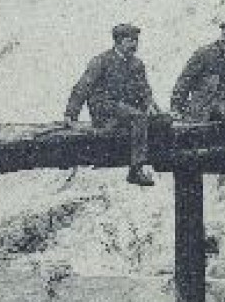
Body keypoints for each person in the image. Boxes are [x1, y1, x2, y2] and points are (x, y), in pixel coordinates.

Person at [63, 23, 161, 186]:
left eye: (136, 41)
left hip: (126, 110)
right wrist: (70, 115)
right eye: (130, 41)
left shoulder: (137, 64)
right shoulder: (101, 61)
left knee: (161, 120)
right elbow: (82, 87)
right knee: (138, 118)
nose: (135, 45)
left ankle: (152, 159)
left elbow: (144, 90)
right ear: (119, 42)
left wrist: (151, 105)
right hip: (105, 110)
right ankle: (135, 170)